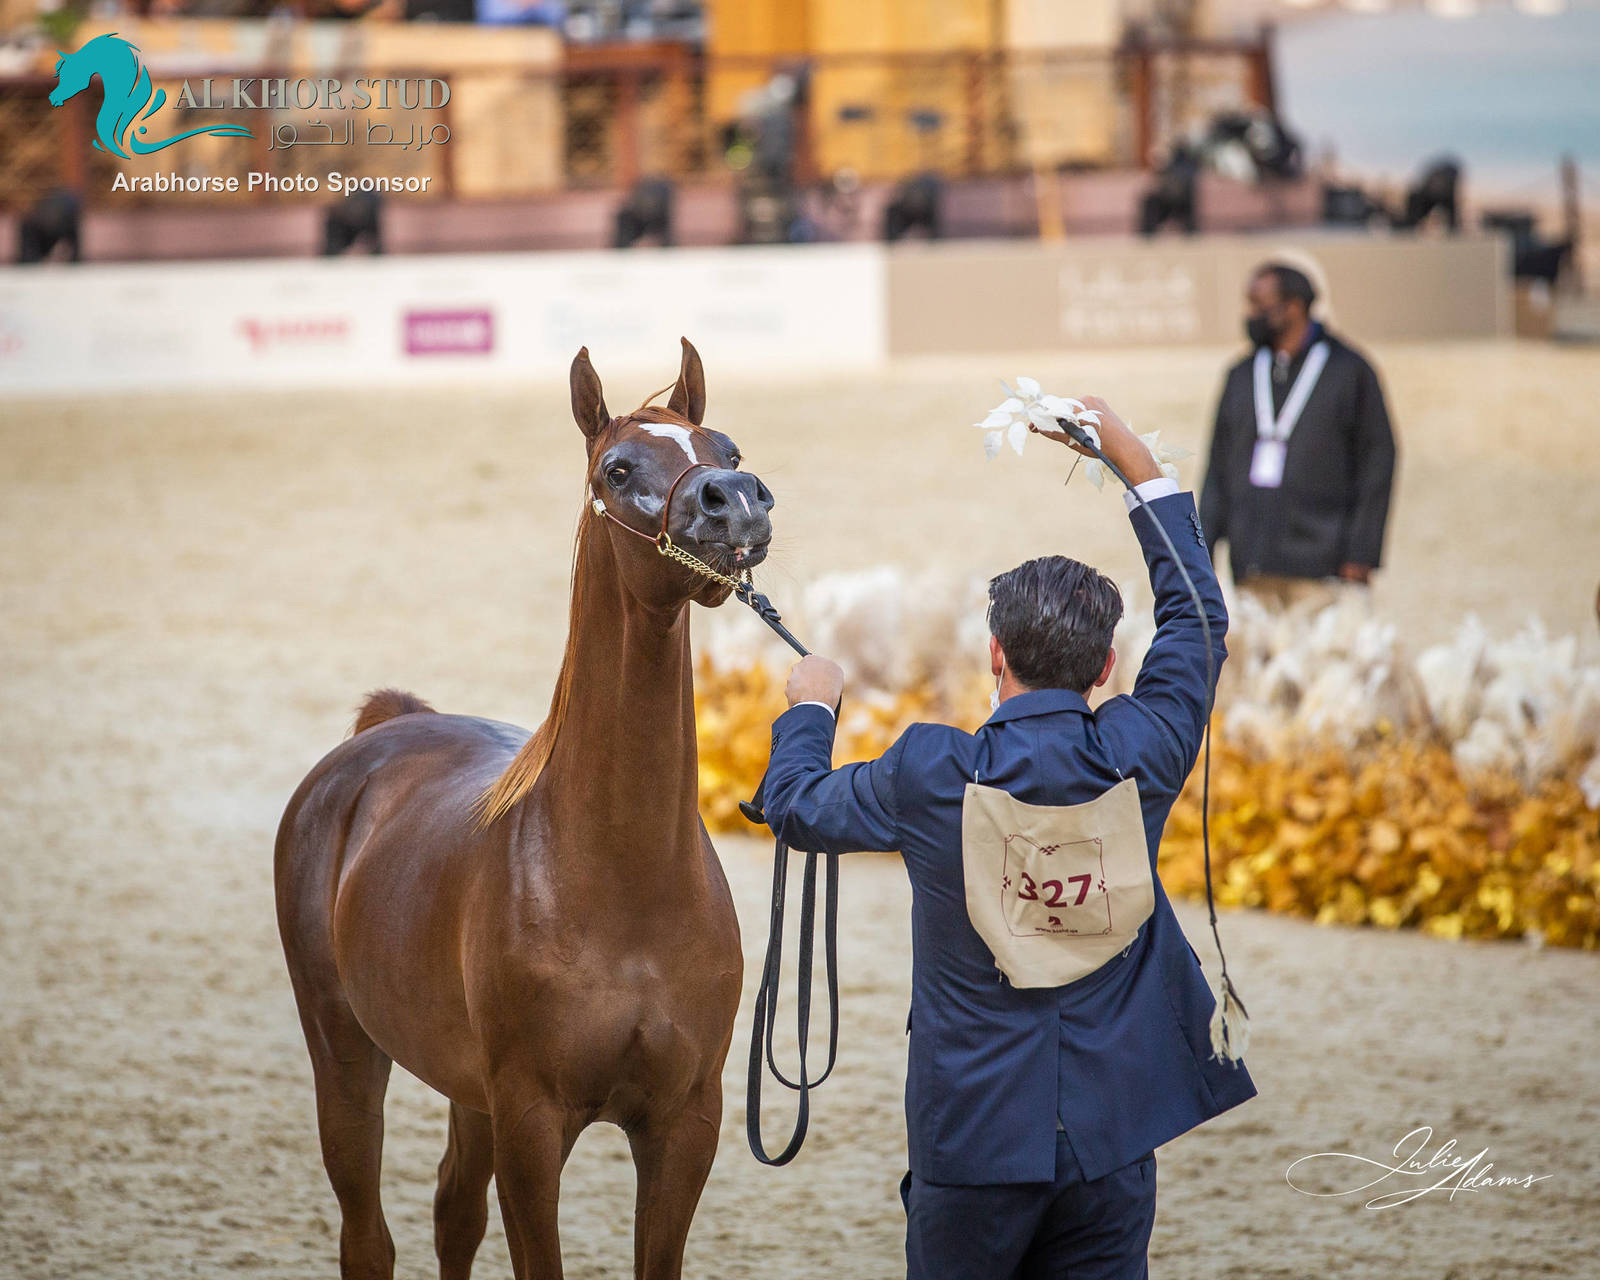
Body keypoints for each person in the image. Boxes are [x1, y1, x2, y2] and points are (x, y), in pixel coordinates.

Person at [760, 402, 1255, 1280]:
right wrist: (1136, 464)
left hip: (973, 1139)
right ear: (1107, 667)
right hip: (1112, 1136)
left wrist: (810, 706)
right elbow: (1198, 623)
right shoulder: (1145, 747)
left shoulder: (929, 772)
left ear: (996, 655)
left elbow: (794, 807)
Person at [1199, 262, 1398, 612]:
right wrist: (1203, 548)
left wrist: (1361, 553)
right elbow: (1217, 466)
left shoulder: (1350, 371)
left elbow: (1378, 461)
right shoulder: (1241, 375)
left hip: (1325, 570)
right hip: (1252, 566)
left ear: (1293, 306)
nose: (1250, 314)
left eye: (1259, 304)